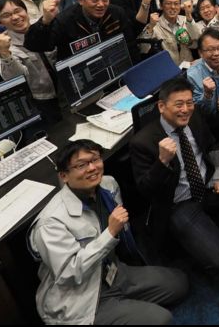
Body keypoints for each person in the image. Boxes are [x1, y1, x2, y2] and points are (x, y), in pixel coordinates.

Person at [29, 139, 188, 325]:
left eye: (95, 160)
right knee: (162, 319)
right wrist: (110, 233)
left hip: (112, 271)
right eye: (81, 165)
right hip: (80, 296)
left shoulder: (108, 184)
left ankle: (124, 308)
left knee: (180, 283)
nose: (92, 168)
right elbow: (68, 275)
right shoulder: (50, 222)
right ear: (64, 176)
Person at [130, 79, 219, 274]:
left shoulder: (195, 117)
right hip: (180, 203)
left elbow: (211, 145)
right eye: (179, 104)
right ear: (161, 106)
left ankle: (215, 224)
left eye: (189, 103)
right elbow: (145, 190)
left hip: (208, 185)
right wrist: (162, 162)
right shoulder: (142, 142)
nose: (186, 109)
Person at [0, 0, 60, 125]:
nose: (15, 17)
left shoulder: (44, 24)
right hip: (42, 98)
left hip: (65, 86)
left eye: (17, 11)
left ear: (25, 11)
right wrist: (5, 52)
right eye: (6, 15)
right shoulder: (4, 45)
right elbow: (15, 78)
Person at [24, 0, 138, 61]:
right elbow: (36, 46)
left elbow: (129, 43)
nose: (101, 4)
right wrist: (45, 22)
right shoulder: (65, 20)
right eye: (95, 0)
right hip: (79, 73)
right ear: (80, 0)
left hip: (114, 63)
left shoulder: (116, 12)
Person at [138, 0, 200, 65]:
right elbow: (144, 49)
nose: (173, 7)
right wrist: (150, 26)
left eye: (176, 4)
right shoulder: (154, 25)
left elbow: (197, 44)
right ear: (161, 6)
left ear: (180, 5)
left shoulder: (186, 20)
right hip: (169, 71)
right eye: (168, 3)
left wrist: (189, 15)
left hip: (189, 66)